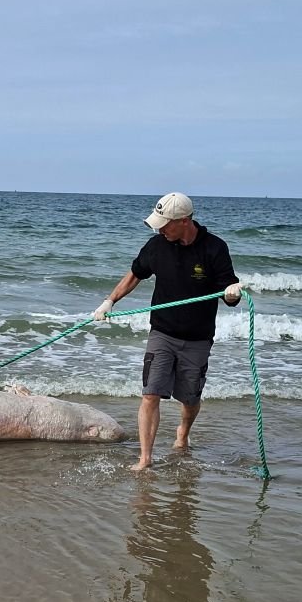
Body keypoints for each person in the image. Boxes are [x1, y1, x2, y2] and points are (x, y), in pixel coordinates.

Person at [93, 192, 245, 471]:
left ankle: (183, 433)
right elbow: (135, 274)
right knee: (151, 394)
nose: (159, 230)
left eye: (164, 224)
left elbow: (228, 294)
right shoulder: (157, 246)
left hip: (198, 337)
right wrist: (109, 301)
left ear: (184, 221)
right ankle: (145, 458)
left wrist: (232, 293)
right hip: (162, 332)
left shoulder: (214, 248)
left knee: (190, 399)